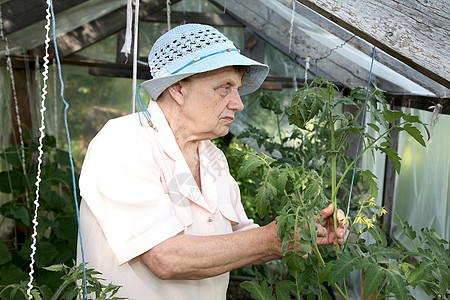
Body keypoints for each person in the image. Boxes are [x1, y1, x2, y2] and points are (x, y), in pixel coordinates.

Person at [77, 23, 347, 300]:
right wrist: (271, 239)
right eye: (224, 87)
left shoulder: (212, 157)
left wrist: (302, 229)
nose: (238, 103)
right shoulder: (125, 141)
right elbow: (164, 257)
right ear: (179, 89)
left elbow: (240, 236)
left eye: (237, 88)